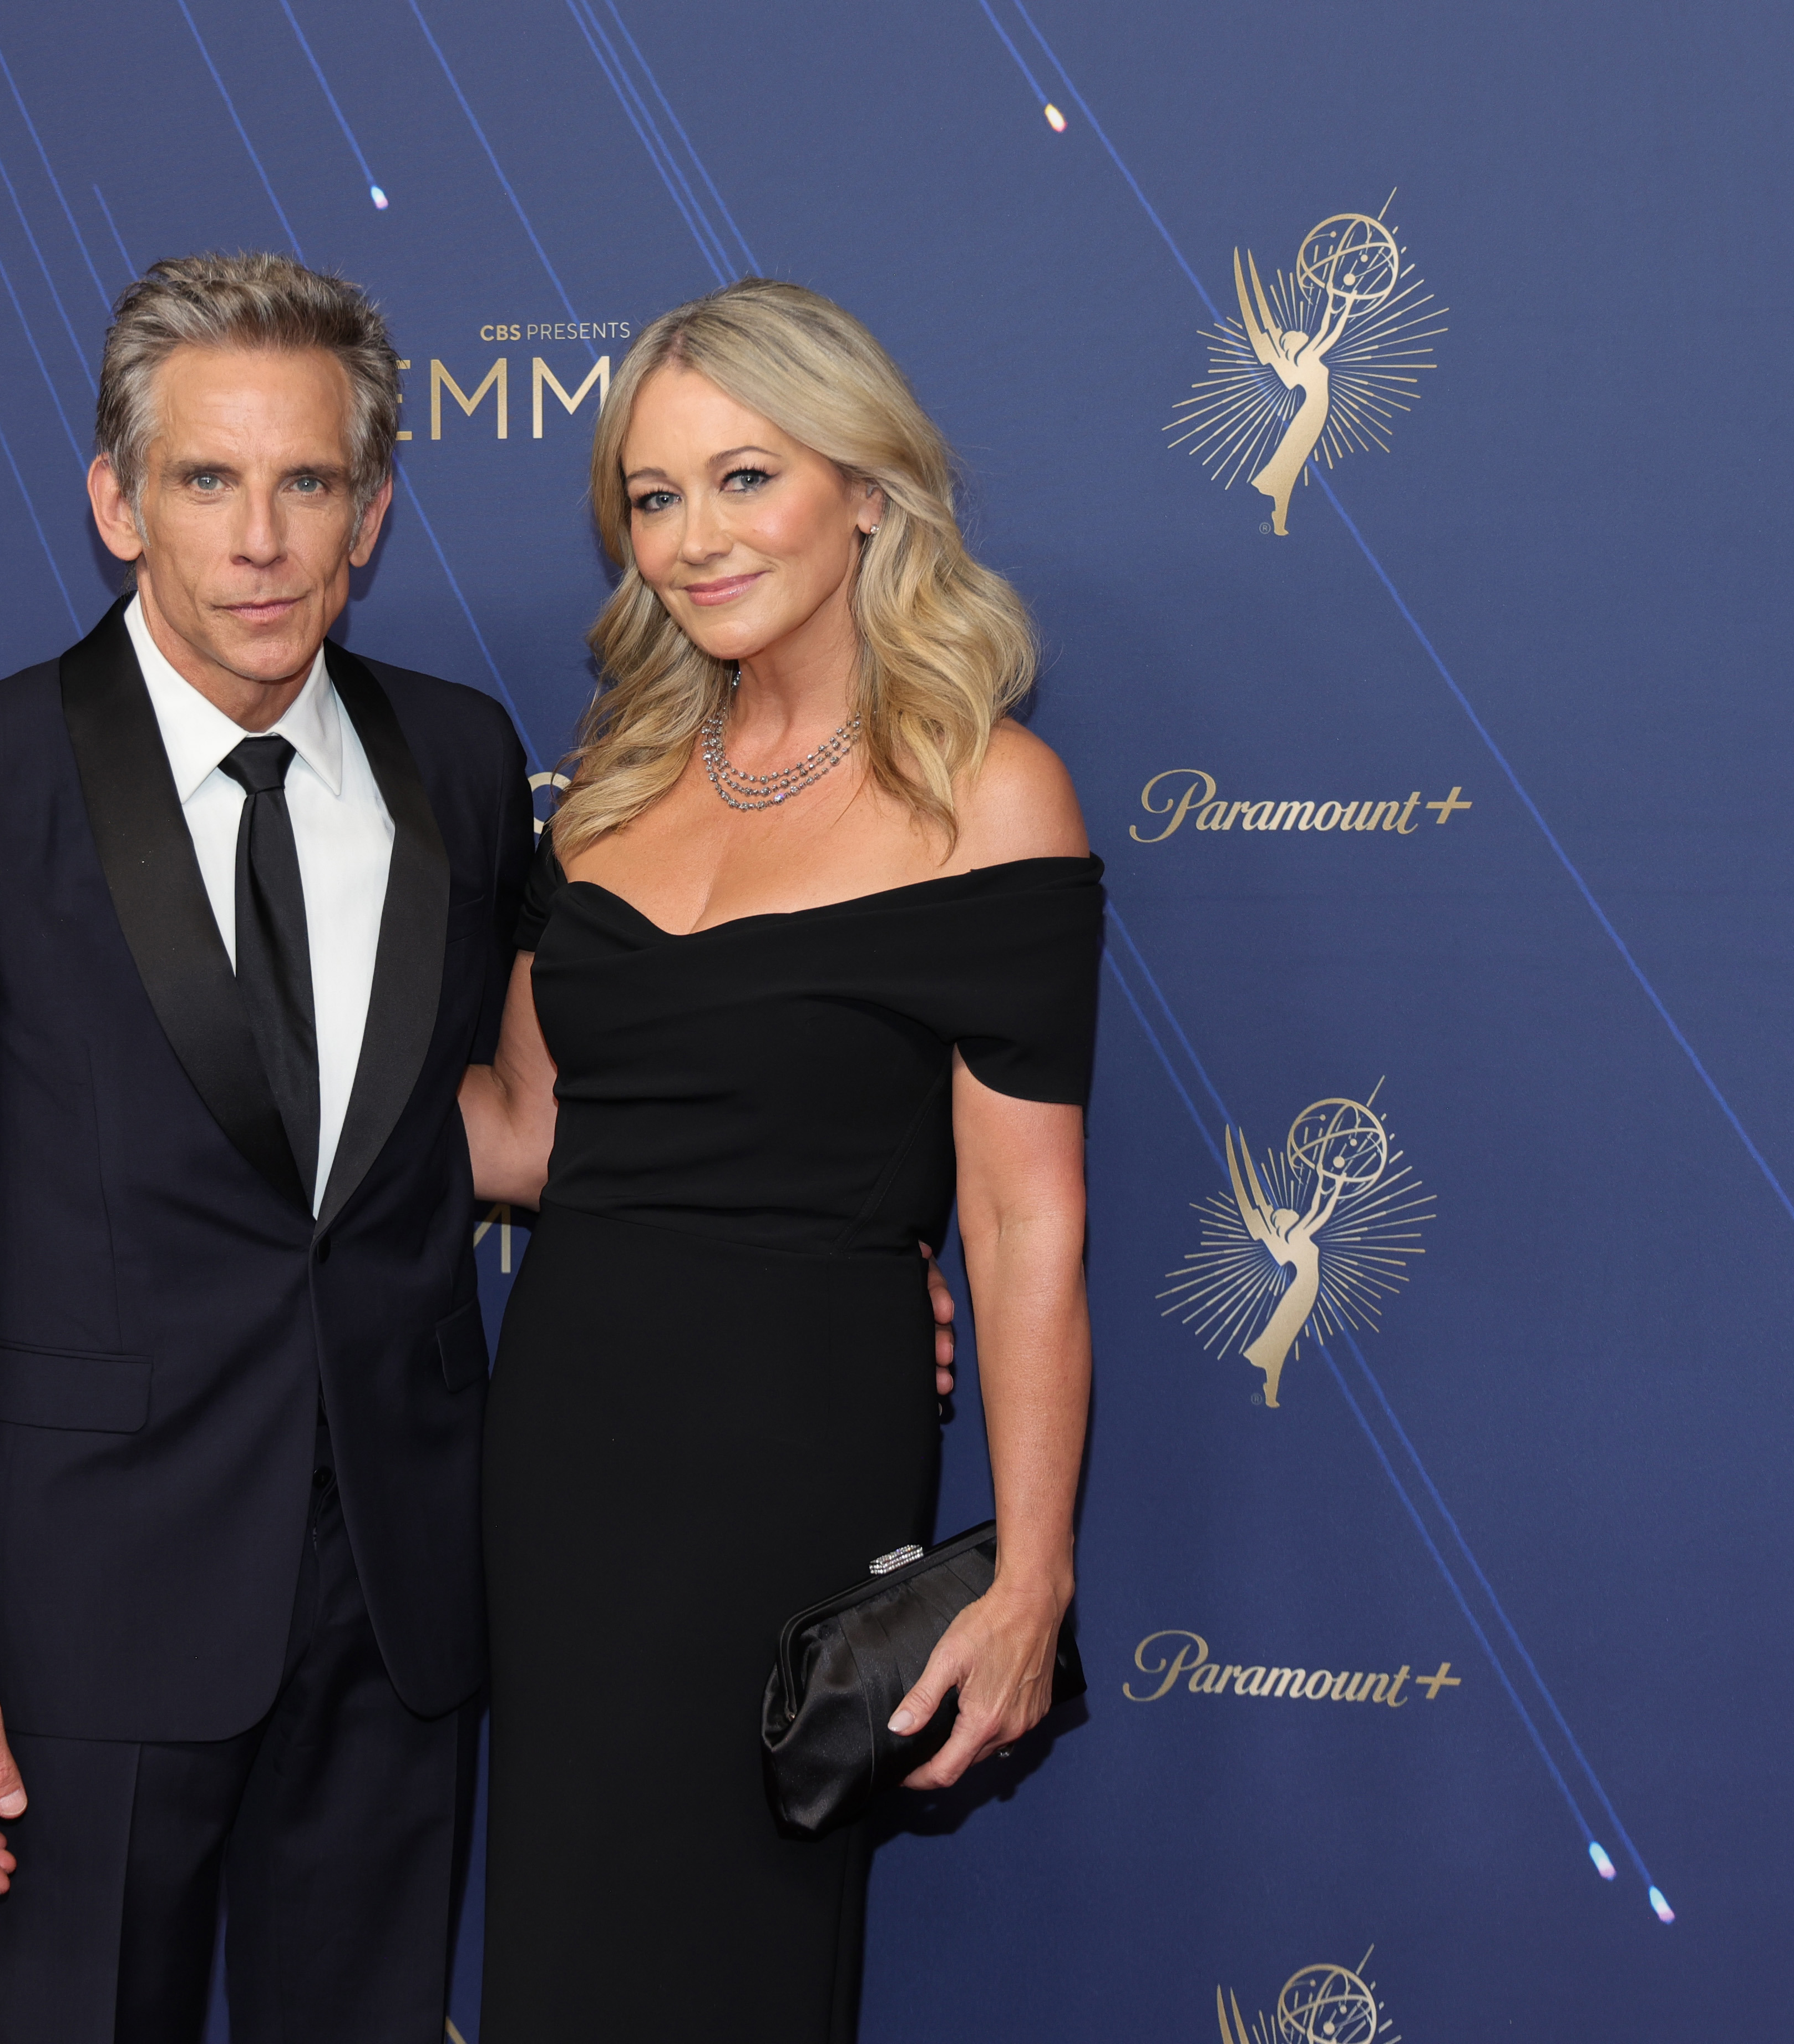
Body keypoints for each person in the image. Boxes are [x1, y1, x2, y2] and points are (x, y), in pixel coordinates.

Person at [0, 252, 536, 2042]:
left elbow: (517, 1116)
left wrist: (819, 1256)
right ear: (118, 505)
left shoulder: (459, 763)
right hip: (82, 1611)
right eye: (209, 480)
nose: (262, 541)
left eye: (308, 483)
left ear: (372, 512)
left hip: (398, 1599)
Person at [460, 278, 1101, 2041]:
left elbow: (1023, 1222)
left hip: (798, 1445)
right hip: (567, 1446)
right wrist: (231, 1055)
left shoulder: (989, 793)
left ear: (867, 492)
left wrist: (1032, 1570)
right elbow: (523, 1135)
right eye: (654, 497)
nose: (694, 538)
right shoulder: (607, 788)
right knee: (568, 1935)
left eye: (746, 479)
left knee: (734, 1950)